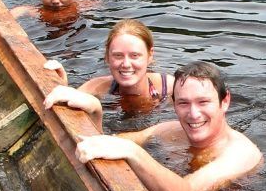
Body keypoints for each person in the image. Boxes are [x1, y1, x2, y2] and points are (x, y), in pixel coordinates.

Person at [64, 60, 263, 191]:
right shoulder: (170, 131)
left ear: (225, 101)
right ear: (174, 104)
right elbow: (110, 143)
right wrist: (94, 110)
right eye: (183, 103)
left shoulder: (239, 153)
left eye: (203, 102)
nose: (193, 114)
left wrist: (134, 152)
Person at [44, 19, 173, 125]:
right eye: (118, 56)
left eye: (135, 55)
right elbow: (68, 99)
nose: (126, 64)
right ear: (107, 57)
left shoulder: (170, 88)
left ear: (150, 56)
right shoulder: (96, 87)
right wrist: (61, 83)